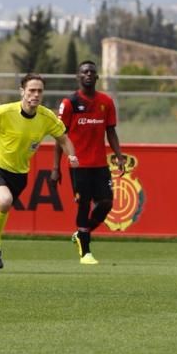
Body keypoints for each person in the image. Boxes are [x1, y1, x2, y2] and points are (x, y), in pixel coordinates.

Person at [0, 74, 79, 272]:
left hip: (19, 175)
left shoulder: (46, 117)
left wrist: (71, 156)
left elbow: (64, 139)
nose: (35, 94)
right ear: (22, 92)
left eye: (39, 91)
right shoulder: (4, 111)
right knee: (5, 201)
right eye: (31, 90)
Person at [51, 60, 126, 265]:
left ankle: (81, 234)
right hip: (78, 165)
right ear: (78, 76)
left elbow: (110, 131)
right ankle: (86, 252)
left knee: (106, 203)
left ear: (97, 77)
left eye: (92, 71)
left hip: (100, 165)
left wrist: (119, 156)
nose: (89, 74)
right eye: (85, 71)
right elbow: (60, 137)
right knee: (83, 205)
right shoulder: (70, 103)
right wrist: (56, 167)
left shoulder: (106, 102)